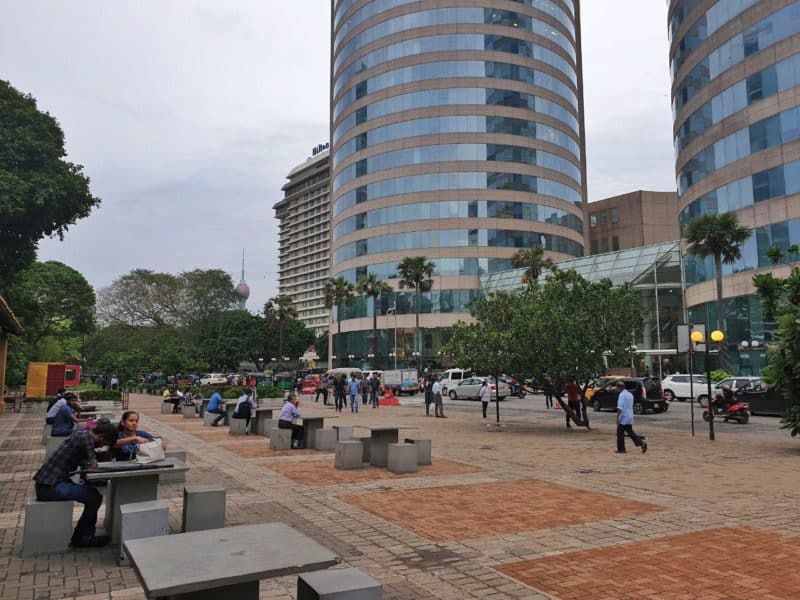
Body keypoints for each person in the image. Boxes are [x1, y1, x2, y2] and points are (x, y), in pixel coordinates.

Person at [33, 420, 119, 548]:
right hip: (50, 487)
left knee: (92, 494)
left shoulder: (81, 434)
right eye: (104, 443)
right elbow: (92, 463)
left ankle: (82, 536)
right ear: (101, 437)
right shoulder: (86, 437)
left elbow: (87, 465)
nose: (101, 445)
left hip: (48, 483)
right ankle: (83, 538)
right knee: (94, 498)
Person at [616, 381, 647, 453]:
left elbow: (620, 407)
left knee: (620, 433)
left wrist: (617, 418)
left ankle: (621, 449)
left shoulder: (622, 395)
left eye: (617, 388)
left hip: (623, 416)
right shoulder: (630, 394)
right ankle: (641, 443)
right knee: (630, 432)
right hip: (629, 416)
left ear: (619, 388)